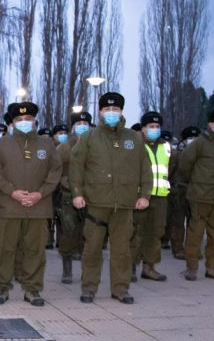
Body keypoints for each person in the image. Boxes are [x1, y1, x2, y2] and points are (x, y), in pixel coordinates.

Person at [70, 92, 152, 304]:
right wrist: (77, 194)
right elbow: (76, 167)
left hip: (125, 204)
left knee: (122, 250)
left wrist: (144, 195)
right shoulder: (89, 137)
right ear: (100, 112)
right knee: (92, 249)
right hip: (96, 203)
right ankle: (89, 287)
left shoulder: (133, 138)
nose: (111, 113)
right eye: (107, 110)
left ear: (121, 112)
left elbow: (145, 169)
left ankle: (120, 288)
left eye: (115, 110)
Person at [0, 102, 62, 306]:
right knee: (4, 249)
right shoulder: (0, 146)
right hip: (9, 207)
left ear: (35, 121)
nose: (24, 122)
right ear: (12, 123)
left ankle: (32, 289)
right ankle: (2, 287)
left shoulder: (46, 145)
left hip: (38, 207)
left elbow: (55, 172)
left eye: (28, 119)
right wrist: (13, 192)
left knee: (35, 250)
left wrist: (40, 193)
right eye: (19, 120)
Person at [176, 107, 214, 281]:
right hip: (200, 195)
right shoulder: (200, 143)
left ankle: (212, 267)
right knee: (195, 233)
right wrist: (195, 182)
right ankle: (191, 268)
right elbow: (185, 165)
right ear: (210, 124)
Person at [130, 111, 170, 282]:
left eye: (157, 126)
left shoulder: (165, 146)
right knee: (135, 232)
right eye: (151, 127)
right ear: (143, 129)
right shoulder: (134, 144)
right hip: (139, 196)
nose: (155, 129)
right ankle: (130, 266)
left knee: (156, 232)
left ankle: (149, 267)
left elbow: (172, 168)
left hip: (160, 196)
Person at [56, 111, 91, 284]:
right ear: (73, 126)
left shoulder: (95, 144)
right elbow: (55, 169)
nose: (82, 127)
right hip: (69, 196)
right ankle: (66, 269)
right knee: (68, 232)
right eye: (79, 124)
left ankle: (88, 272)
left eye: (85, 124)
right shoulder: (64, 147)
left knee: (89, 234)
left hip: (91, 195)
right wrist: (64, 182)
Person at [167, 126, 199, 260]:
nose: (193, 141)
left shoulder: (201, 155)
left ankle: (192, 249)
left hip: (196, 190)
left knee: (195, 222)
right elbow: (170, 172)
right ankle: (178, 249)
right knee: (178, 222)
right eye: (190, 138)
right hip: (179, 190)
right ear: (184, 140)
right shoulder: (176, 154)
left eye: (195, 138)